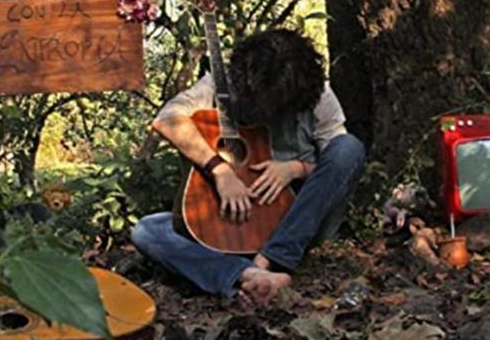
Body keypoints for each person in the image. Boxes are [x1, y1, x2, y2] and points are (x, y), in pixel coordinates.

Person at [131, 29, 366, 305]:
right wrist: (220, 170)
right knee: (146, 230)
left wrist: (296, 168)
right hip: (230, 227)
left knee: (349, 147)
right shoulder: (225, 84)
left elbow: (338, 167)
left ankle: (270, 261)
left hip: (296, 226)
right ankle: (247, 276)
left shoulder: (317, 94)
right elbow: (167, 119)